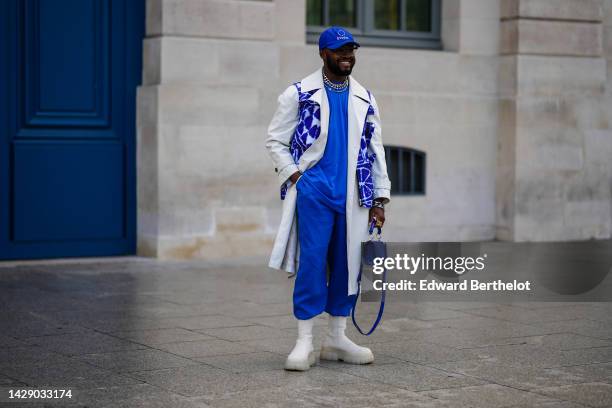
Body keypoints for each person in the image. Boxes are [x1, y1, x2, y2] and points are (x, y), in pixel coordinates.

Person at [265, 26, 391, 371]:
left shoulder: (366, 97)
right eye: (340, 51)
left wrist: (380, 199)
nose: (347, 56)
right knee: (311, 264)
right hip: (314, 195)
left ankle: (337, 338)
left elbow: (374, 149)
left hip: (354, 196)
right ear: (323, 54)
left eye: (351, 50)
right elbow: (275, 140)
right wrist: (297, 178)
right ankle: (304, 341)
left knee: (348, 266)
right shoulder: (299, 93)